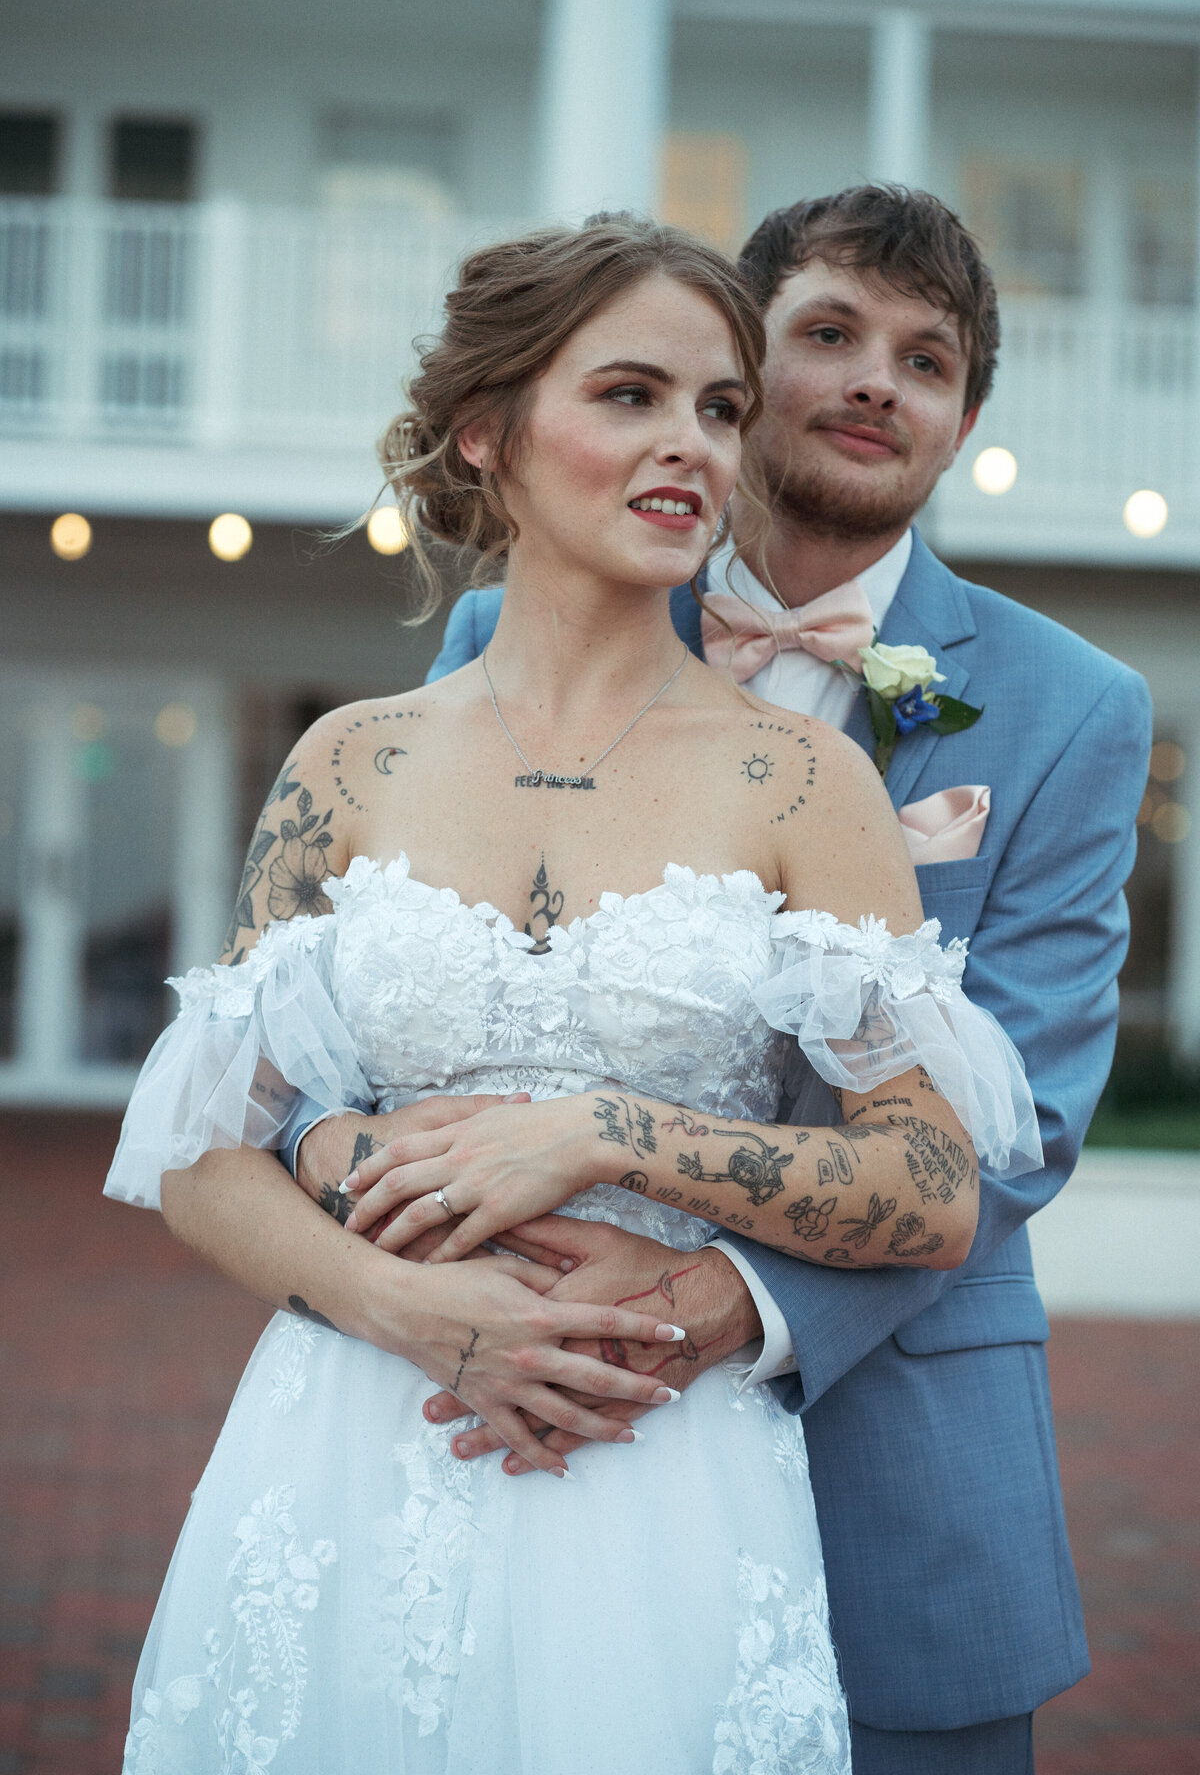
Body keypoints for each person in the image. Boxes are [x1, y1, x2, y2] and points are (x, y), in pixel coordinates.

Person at [106, 215, 1039, 1774]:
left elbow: (934, 1187)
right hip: (348, 1438)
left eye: (720, 408)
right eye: (630, 396)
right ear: (490, 434)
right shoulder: (349, 759)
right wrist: (405, 1306)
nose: (691, 446)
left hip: (658, 1471)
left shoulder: (806, 780)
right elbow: (204, 1156)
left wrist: (608, 1132)